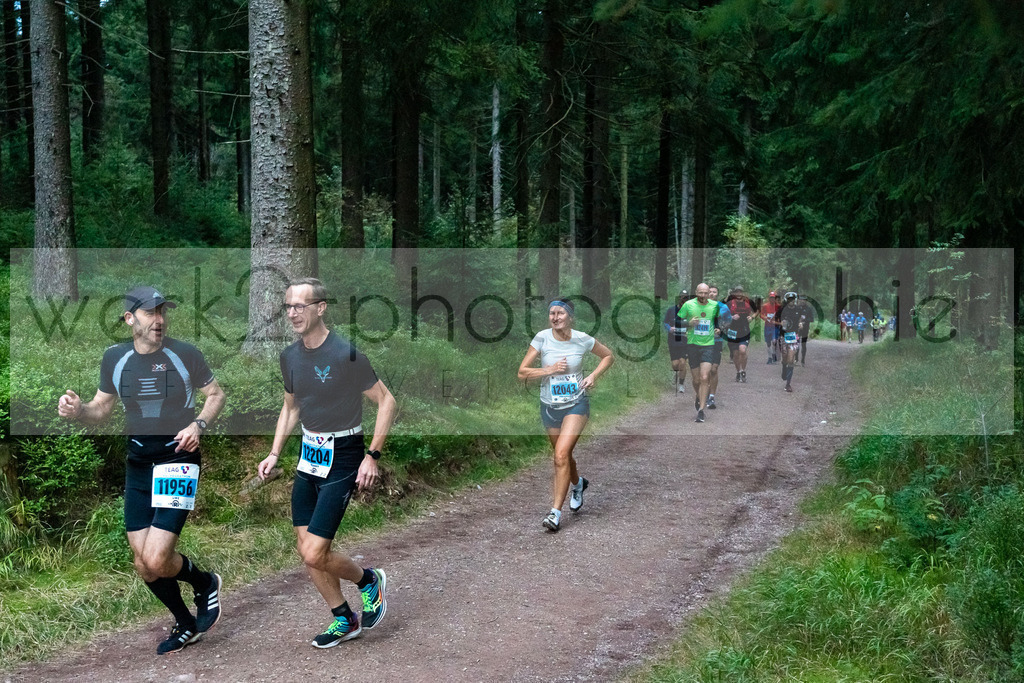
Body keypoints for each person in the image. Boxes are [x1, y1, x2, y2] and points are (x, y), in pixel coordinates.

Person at [57, 286, 227, 655]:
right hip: (138, 464)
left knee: (156, 558)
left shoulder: (185, 354)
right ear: (130, 318)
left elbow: (216, 394)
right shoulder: (115, 358)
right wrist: (78, 410)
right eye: (151, 313)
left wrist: (198, 425)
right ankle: (186, 621)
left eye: (163, 312)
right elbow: (101, 410)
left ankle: (205, 583)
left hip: (177, 461)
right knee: (144, 564)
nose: (160, 320)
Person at [256, 278, 397, 649]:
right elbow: (291, 408)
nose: (292, 313)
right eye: (288, 306)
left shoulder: (345, 354)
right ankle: (344, 619)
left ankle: (368, 581)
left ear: (321, 308)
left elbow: (386, 402)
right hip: (309, 456)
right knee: (307, 549)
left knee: (314, 551)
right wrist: (274, 453)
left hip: (345, 454)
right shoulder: (289, 356)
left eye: (300, 306)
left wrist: (372, 455)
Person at [518, 298, 614, 532]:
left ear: (570, 317)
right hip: (549, 406)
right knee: (564, 455)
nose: (555, 317)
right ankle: (578, 484)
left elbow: (608, 356)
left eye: (560, 313)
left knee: (560, 455)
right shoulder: (542, 338)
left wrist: (592, 376)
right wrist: (548, 370)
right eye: (552, 313)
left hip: (576, 404)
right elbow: (522, 373)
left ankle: (554, 513)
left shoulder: (582, 338)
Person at [679, 283, 721, 423]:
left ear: (709, 293)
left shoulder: (714, 306)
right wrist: (689, 323)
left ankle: (701, 410)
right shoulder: (688, 305)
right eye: (700, 293)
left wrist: (719, 329)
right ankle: (698, 395)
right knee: (696, 380)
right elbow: (677, 321)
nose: (703, 295)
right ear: (696, 292)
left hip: (708, 345)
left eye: (705, 293)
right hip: (692, 345)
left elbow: (720, 321)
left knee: (704, 377)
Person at [706, 286, 731, 410]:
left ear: (717, 294)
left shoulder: (723, 307)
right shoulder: (701, 306)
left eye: (714, 292)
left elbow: (729, 321)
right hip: (703, 341)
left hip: (717, 340)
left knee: (714, 369)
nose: (711, 294)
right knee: (704, 369)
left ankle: (711, 396)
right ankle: (703, 391)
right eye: (709, 292)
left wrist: (721, 328)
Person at [777, 291, 806, 393]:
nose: (791, 301)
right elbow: (777, 320)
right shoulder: (782, 310)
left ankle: (788, 384)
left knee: (791, 359)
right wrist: (781, 323)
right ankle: (784, 367)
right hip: (784, 335)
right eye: (789, 299)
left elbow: (801, 320)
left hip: (794, 336)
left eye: (792, 299)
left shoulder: (798, 310)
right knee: (785, 357)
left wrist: (801, 324)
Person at [664, 291, 692, 393]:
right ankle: (675, 373)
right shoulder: (671, 310)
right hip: (673, 340)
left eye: (685, 297)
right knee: (675, 364)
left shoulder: (690, 311)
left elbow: (694, 324)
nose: (683, 299)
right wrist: (669, 328)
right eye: (681, 297)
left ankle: (681, 384)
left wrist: (690, 332)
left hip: (685, 341)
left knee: (683, 363)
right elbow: (665, 322)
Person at [726, 286, 756, 383]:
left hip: (744, 330)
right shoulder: (730, 303)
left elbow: (756, 311)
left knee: (742, 351)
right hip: (732, 330)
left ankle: (743, 371)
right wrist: (731, 317)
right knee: (735, 354)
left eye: (740, 292)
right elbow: (723, 315)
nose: (738, 294)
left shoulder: (748, 303)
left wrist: (752, 317)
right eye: (737, 292)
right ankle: (738, 372)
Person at [760, 291, 781, 364]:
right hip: (767, 326)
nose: (772, 299)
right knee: (768, 343)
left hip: (775, 326)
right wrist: (765, 317)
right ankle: (769, 357)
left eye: (774, 298)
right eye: (771, 298)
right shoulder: (765, 306)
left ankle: (774, 354)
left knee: (774, 341)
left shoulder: (778, 306)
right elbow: (761, 314)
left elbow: (781, 315)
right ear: (769, 298)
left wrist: (778, 320)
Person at [796, 294, 814, 366]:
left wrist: (805, 320)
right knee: (796, 344)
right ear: (799, 300)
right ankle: (796, 358)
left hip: (805, 328)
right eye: (801, 300)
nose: (802, 301)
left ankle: (803, 360)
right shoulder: (796, 308)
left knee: (803, 344)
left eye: (804, 300)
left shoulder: (809, 309)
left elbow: (812, 319)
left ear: (806, 301)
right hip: (797, 329)